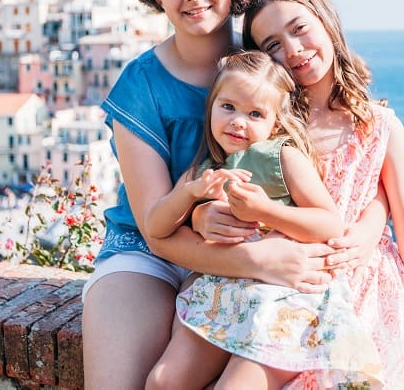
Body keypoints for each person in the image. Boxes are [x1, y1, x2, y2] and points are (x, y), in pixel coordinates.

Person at [81, 0, 354, 390]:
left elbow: (351, 147)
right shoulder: (140, 85)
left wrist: (365, 232)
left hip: (246, 244)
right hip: (152, 250)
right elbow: (156, 227)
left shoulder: (268, 68)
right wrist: (259, 260)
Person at [193, 0, 404, 388]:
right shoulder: (265, 123)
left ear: (326, 21)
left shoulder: (379, 127)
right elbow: (224, 186)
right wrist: (202, 216)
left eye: (299, 29)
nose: (294, 50)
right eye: (272, 46)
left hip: (362, 294)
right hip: (282, 290)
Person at [144, 51, 383, 389]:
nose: (238, 121)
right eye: (228, 107)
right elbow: (155, 227)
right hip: (223, 296)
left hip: (281, 298)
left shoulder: (281, 156)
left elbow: (329, 224)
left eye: (255, 113)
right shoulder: (207, 168)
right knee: (162, 382)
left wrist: (265, 211)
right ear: (211, 107)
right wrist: (189, 197)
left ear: (275, 122)